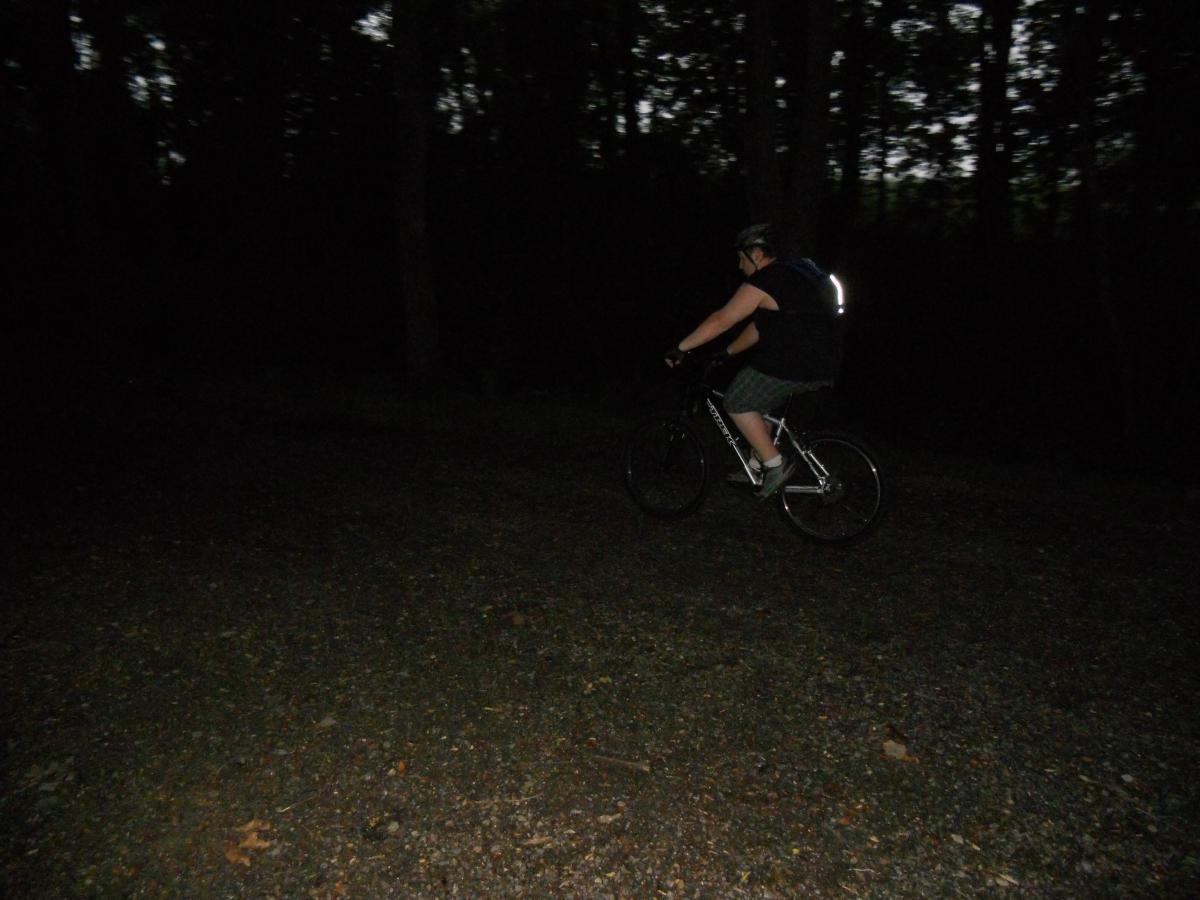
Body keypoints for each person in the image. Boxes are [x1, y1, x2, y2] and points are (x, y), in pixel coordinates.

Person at [665, 223, 840, 499]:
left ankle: (774, 464)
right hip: (824, 362)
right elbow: (760, 327)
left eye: (741, 257)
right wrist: (727, 352)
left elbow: (723, 319)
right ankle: (756, 465)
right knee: (757, 404)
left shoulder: (767, 279)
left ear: (756, 254)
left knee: (736, 401)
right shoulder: (794, 277)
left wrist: (681, 347)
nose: (739, 265)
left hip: (792, 363)